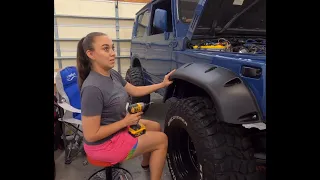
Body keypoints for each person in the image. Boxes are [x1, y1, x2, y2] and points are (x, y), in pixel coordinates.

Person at [76, 32, 175, 180]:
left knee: (154, 126)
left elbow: (134, 90)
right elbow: (91, 135)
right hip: (103, 145)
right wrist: (125, 122)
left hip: (118, 127)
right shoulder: (92, 88)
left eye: (112, 48)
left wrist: (162, 84)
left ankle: (146, 164)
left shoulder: (112, 74)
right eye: (105, 49)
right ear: (90, 54)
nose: (113, 53)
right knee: (162, 140)